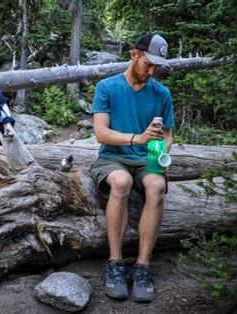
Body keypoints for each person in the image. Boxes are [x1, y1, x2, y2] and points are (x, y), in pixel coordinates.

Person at [89, 33, 174, 303]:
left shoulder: (162, 94)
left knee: (157, 185)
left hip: (145, 159)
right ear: (133, 54)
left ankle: (142, 267)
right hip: (112, 157)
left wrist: (159, 154)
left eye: (156, 67)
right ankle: (115, 264)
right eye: (148, 63)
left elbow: (168, 135)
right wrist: (138, 138)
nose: (152, 71)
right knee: (121, 182)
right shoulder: (107, 87)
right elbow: (101, 133)